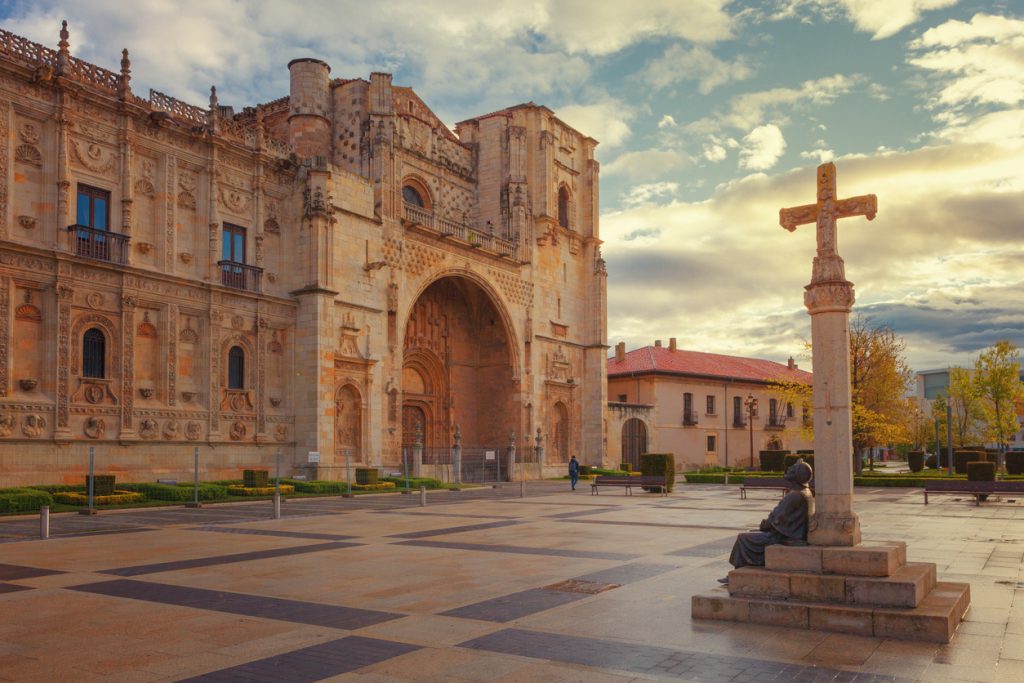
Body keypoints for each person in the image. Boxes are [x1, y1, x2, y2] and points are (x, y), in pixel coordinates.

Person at [720, 458, 814, 582]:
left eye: (793, 468)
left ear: (797, 475)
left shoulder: (794, 495)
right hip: (789, 533)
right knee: (751, 534)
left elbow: (774, 520)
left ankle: (738, 574)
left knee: (743, 538)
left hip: (783, 537)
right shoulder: (803, 492)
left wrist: (763, 525)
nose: (789, 469)